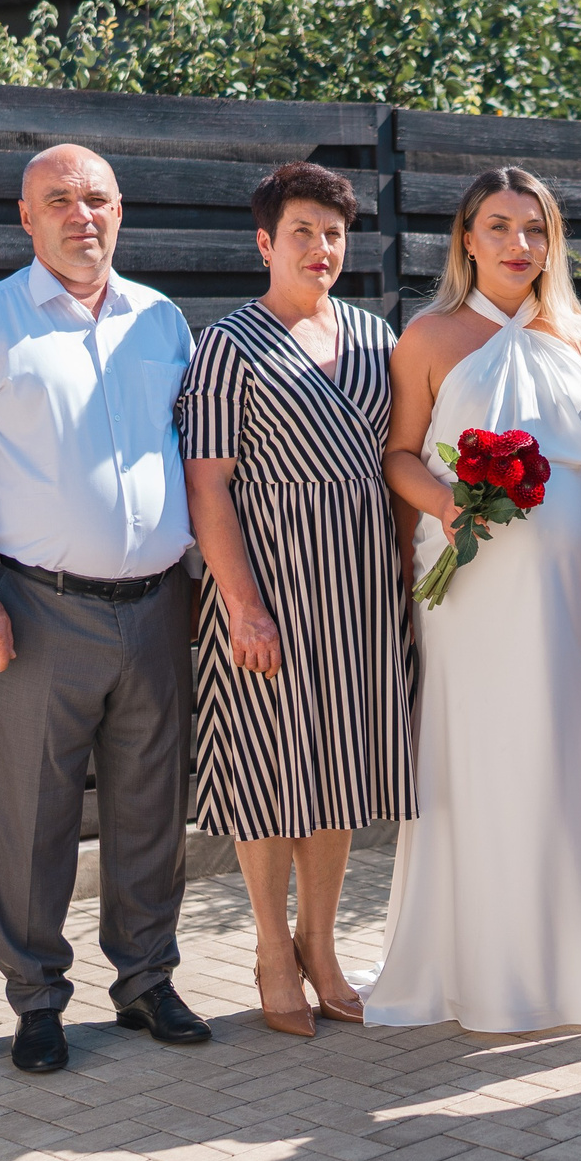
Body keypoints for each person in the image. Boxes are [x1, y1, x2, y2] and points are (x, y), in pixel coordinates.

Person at [0, 144, 207, 1073]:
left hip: (159, 604)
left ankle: (147, 979)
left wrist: (208, 580)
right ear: (26, 216)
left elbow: (194, 462)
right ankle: (37, 998)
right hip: (38, 607)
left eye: (99, 199)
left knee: (151, 807)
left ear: (121, 211)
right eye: (61, 200)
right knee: (32, 814)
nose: (83, 215)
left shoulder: (163, 321)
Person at [367, 168, 581, 1032]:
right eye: (500, 226)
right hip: (466, 584)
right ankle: (468, 966)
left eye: (536, 228)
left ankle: (555, 968)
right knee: (475, 751)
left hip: (558, 586)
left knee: (551, 748)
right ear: (467, 238)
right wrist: (449, 503)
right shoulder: (429, 335)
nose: (519, 244)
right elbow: (400, 453)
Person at [179, 162, 415, 1038]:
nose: (322, 248)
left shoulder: (372, 335)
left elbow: (396, 463)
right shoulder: (227, 345)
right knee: (271, 771)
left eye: (335, 233)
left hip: (358, 589)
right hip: (268, 585)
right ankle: (272, 948)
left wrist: (400, 576)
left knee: (340, 771)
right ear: (265, 242)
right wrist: (241, 605)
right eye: (304, 232)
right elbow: (208, 490)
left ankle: (322, 944)